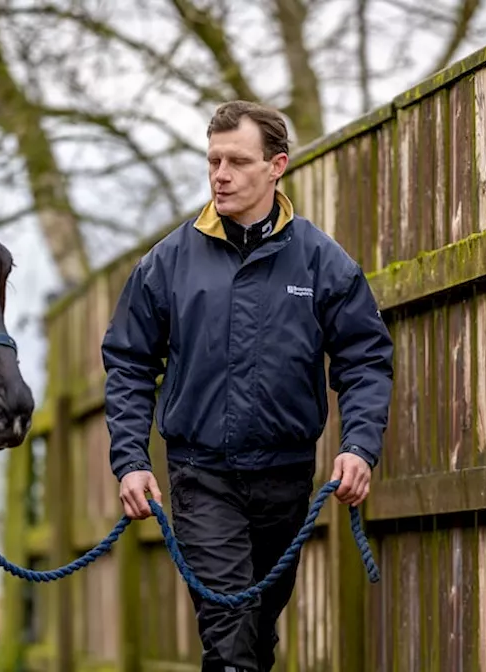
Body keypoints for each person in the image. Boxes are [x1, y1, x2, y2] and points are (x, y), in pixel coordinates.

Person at [100, 100, 394, 672]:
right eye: (213, 160)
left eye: (237, 160)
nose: (221, 174)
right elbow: (129, 362)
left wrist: (359, 446)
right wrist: (130, 459)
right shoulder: (168, 262)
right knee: (230, 640)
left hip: (285, 479)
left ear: (276, 165)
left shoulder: (320, 261)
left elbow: (365, 357)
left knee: (256, 635)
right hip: (201, 478)